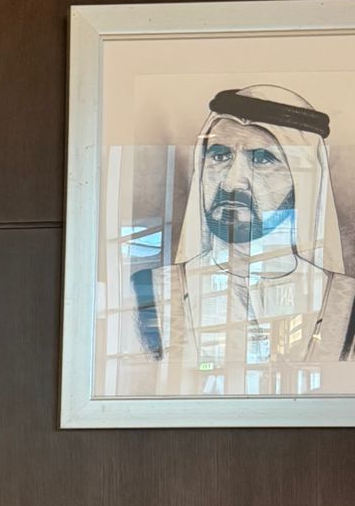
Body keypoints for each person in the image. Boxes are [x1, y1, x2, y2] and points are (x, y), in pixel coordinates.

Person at [124, 85, 355, 393]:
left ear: (304, 180)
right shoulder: (149, 293)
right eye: (219, 156)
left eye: (262, 160)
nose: (232, 182)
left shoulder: (347, 303)